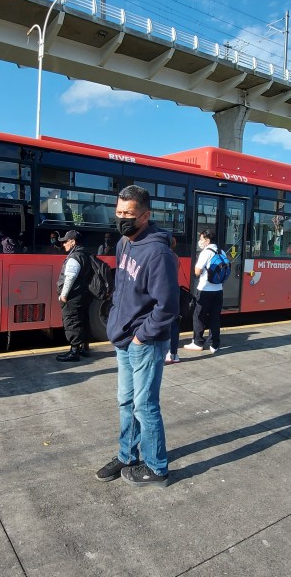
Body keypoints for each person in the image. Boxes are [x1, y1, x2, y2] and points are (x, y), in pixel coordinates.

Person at [95, 185, 179, 488]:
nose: (121, 219)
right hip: (123, 338)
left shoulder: (158, 252)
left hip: (144, 343)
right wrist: (115, 323)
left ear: (145, 215)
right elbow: (123, 287)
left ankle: (157, 468)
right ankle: (127, 456)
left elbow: (167, 306)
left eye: (128, 215)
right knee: (125, 401)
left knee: (145, 406)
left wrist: (142, 337)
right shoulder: (123, 243)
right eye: (118, 213)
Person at [183, 229, 223, 353]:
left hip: (205, 289)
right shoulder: (221, 252)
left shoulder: (206, 252)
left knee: (198, 316)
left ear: (207, 240)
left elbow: (197, 271)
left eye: (201, 239)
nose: (200, 242)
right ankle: (214, 344)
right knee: (215, 317)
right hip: (219, 290)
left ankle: (198, 342)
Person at [56, 230, 92, 362]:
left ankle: (74, 352)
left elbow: (70, 277)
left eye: (65, 241)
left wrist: (64, 295)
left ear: (73, 241)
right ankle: (85, 348)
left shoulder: (74, 256)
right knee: (82, 320)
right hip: (83, 294)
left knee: (72, 321)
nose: (63, 244)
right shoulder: (85, 253)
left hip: (73, 296)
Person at [165, 235, 180, 365]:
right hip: (175, 291)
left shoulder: (164, 256)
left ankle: (166, 353)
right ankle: (174, 354)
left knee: (163, 323)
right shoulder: (175, 256)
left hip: (165, 293)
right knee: (174, 324)